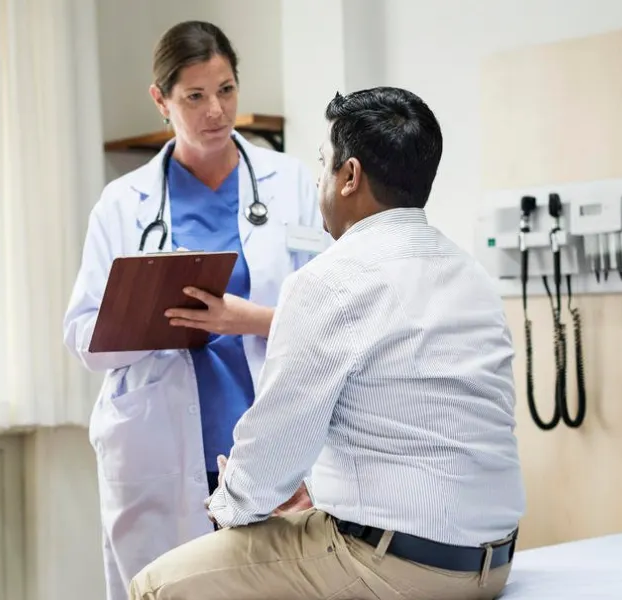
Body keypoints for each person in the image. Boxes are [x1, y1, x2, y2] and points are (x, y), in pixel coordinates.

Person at [127, 86, 527, 600]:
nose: (320, 179)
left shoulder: (329, 280)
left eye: (324, 164)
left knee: (153, 585)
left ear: (350, 176)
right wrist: (309, 492)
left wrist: (229, 504)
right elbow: (413, 425)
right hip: (492, 564)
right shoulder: (471, 275)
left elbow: (271, 451)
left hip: (396, 568)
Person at [61, 20, 327, 600]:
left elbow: (328, 315)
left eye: (226, 89)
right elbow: (82, 334)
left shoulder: (290, 184)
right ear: (162, 101)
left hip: (264, 440)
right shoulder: (120, 204)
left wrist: (244, 319)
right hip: (160, 446)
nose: (216, 111)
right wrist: (152, 314)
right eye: (195, 96)